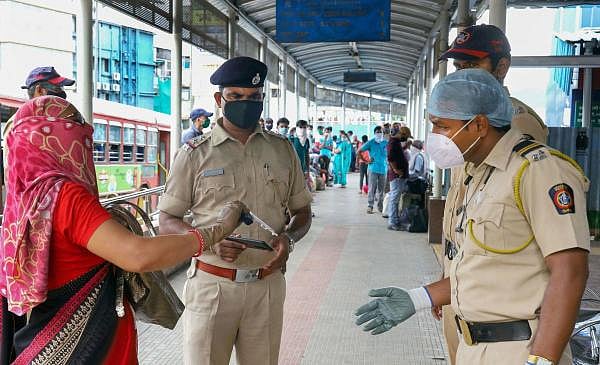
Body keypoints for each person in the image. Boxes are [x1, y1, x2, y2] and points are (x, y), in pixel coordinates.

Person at [355, 69, 590, 365]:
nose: (434, 136)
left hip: (520, 350)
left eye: (441, 126)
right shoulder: (474, 173)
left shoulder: (537, 170)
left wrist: (542, 359)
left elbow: (570, 271)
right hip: (473, 347)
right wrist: (419, 298)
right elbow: (484, 271)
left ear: (479, 124)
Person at [0, 96, 247, 364]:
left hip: (47, 333)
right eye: (78, 130)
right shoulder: (66, 195)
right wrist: (216, 230)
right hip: (93, 349)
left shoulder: (26, 198)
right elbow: (137, 255)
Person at [157, 56, 313, 365]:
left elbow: (303, 213)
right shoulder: (194, 155)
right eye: (236, 96)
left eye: (254, 97)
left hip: (267, 286)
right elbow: (167, 221)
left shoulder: (282, 150)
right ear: (219, 99)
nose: (246, 103)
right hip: (213, 286)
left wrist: (290, 239)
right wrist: (209, 240)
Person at [437, 24, 551, 364]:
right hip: (463, 287)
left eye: (472, 66)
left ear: (501, 67)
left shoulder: (517, 122)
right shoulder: (462, 120)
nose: (462, 76)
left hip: (501, 308)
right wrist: (447, 283)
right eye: (458, 68)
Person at [359, 126, 388, 214]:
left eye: (381, 132)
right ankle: (370, 206)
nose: (379, 133)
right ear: (374, 133)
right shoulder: (371, 142)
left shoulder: (386, 143)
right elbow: (359, 151)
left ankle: (380, 206)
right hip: (373, 168)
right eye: (378, 132)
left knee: (381, 189)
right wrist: (366, 160)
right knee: (372, 188)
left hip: (383, 169)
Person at [386, 127, 410, 230]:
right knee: (394, 199)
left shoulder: (395, 143)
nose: (405, 139)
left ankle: (394, 220)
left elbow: (396, 156)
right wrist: (396, 170)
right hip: (397, 176)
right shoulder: (393, 142)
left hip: (398, 175)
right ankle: (393, 222)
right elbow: (390, 158)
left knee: (395, 198)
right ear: (402, 134)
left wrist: (404, 148)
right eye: (406, 137)